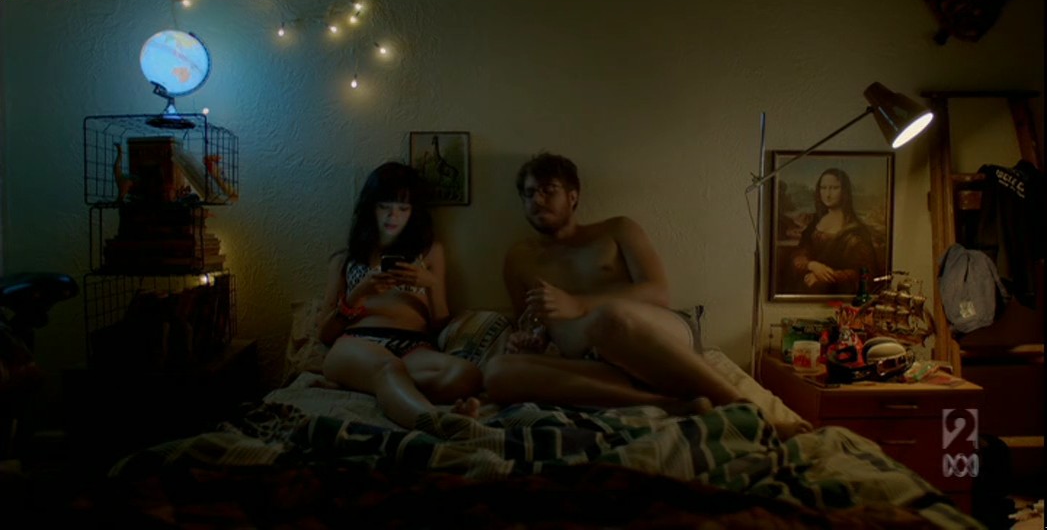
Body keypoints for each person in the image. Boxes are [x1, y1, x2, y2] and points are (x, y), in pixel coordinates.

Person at [484, 153, 810, 437]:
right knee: (498, 372)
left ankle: (748, 411)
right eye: (529, 193)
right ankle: (671, 405)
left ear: (573, 196)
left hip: (652, 341)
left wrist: (578, 304)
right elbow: (528, 323)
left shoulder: (616, 230)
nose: (537, 200)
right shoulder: (519, 258)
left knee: (608, 317)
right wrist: (529, 341)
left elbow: (658, 293)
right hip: (590, 362)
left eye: (547, 190)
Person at [320, 162, 482, 430]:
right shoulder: (345, 260)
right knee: (387, 367)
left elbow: (439, 324)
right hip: (358, 342)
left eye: (403, 208)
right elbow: (324, 334)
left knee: (468, 374)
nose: (392, 216)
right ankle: (436, 421)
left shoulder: (430, 253)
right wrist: (358, 293)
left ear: (413, 212)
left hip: (413, 347)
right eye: (384, 206)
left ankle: (378, 387)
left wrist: (430, 284)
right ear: (371, 208)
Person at [789, 168, 879, 295]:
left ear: (844, 191)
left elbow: (866, 273)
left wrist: (826, 276)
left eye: (834, 188)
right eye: (823, 188)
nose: (827, 194)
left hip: (841, 296)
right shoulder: (815, 223)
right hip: (808, 293)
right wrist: (812, 265)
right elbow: (799, 254)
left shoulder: (856, 231)